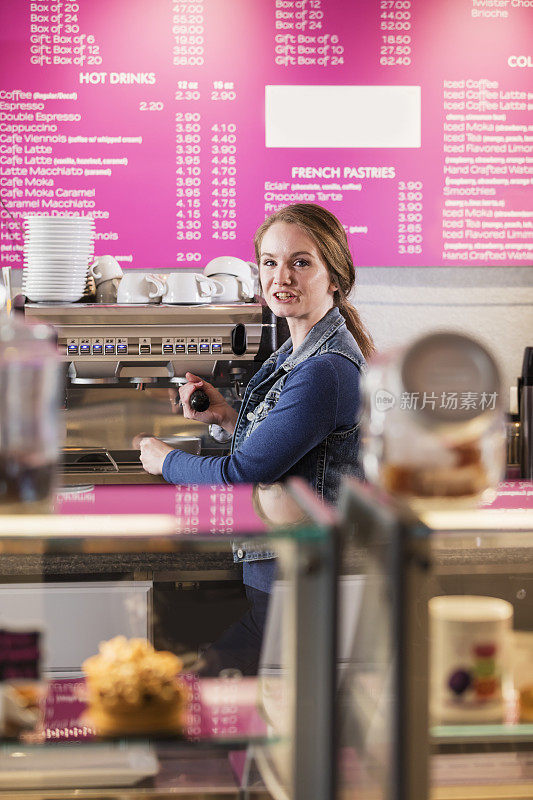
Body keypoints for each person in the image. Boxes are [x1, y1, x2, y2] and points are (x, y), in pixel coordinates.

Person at [136, 203, 375, 673]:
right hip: (287, 576)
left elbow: (243, 473)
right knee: (253, 714)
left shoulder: (325, 369)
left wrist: (163, 460)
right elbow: (295, 450)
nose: (280, 276)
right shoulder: (302, 350)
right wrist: (227, 418)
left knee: (206, 700)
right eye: (269, 262)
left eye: (300, 262)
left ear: (335, 277)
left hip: (297, 580)